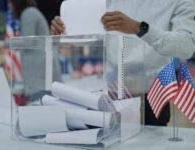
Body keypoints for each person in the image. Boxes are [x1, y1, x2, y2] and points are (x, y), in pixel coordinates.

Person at [50, 0, 195, 126]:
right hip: (107, 95)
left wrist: (141, 29)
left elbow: (186, 46)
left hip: (151, 99)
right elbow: (90, 30)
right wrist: (67, 28)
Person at [0, 0, 61, 98]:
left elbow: (27, 42)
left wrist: (1, 44)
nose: (9, 5)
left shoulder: (28, 13)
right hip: (41, 77)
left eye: (10, 2)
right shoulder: (31, 12)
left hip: (40, 79)